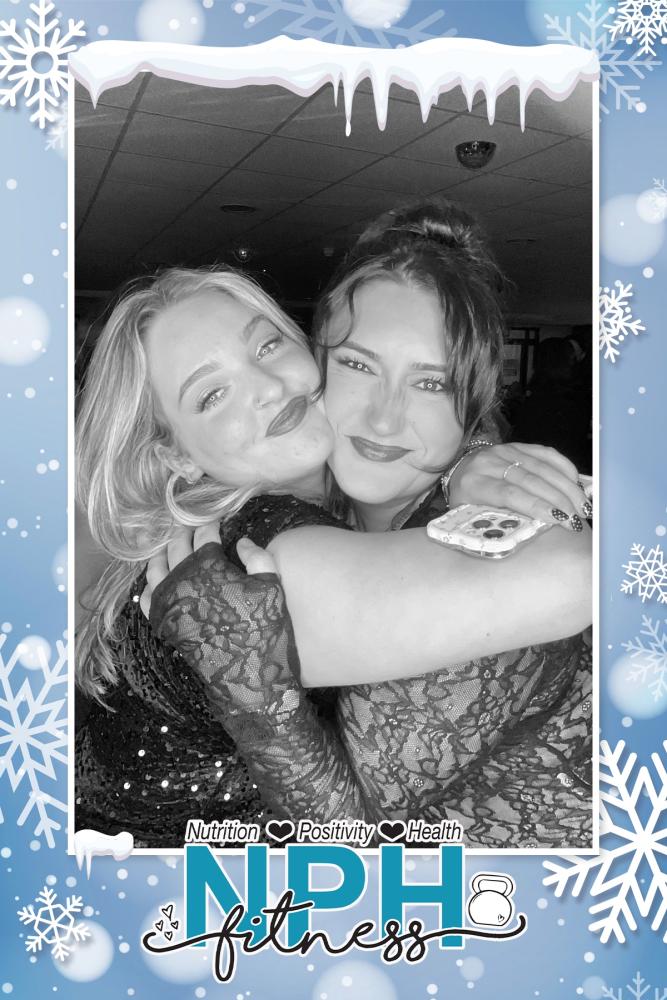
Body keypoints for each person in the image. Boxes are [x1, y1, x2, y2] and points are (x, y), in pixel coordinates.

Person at [135, 202, 593, 847]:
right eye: (357, 365)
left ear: (475, 403)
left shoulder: (503, 568)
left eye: (432, 384)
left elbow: (349, 848)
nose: (383, 419)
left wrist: (252, 691)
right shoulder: (318, 508)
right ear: (314, 360)